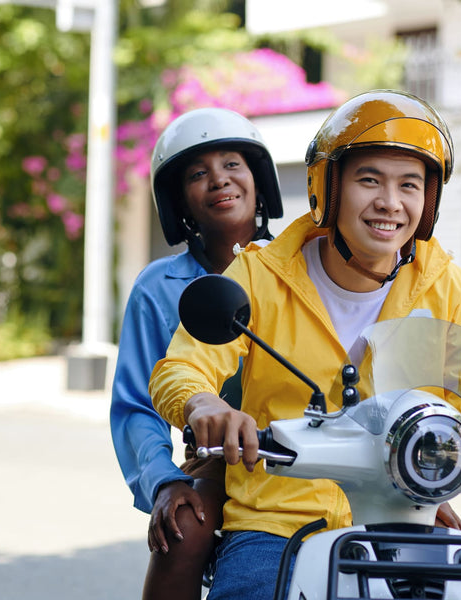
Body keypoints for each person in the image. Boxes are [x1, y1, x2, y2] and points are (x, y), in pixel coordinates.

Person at [150, 90, 461, 600]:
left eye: (409, 184)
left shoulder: (445, 283)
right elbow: (183, 367)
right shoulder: (261, 274)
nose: (390, 202)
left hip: (407, 513)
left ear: (429, 200)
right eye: (369, 179)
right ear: (327, 188)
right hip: (277, 522)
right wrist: (206, 405)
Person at [109, 107, 283, 600]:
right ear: (178, 199)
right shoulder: (157, 286)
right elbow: (136, 406)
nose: (219, 181)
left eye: (232, 164)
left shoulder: (303, 264)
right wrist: (163, 480)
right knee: (183, 529)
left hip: (317, 459)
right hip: (222, 463)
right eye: (197, 174)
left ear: (258, 179)